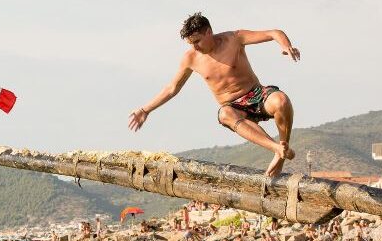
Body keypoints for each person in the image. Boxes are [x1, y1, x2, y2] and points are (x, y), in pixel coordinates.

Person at [128, 12, 300, 176]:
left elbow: (273, 33)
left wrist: (286, 46)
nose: (194, 47)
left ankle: (282, 147)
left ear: (209, 32)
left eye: (197, 41)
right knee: (225, 114)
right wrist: (145, 110)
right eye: (190, 43)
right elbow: (172, 88)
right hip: (234, 107)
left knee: (281, 100)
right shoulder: (190, 58)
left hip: (256, 94)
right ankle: (276, 148)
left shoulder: (234, 38)